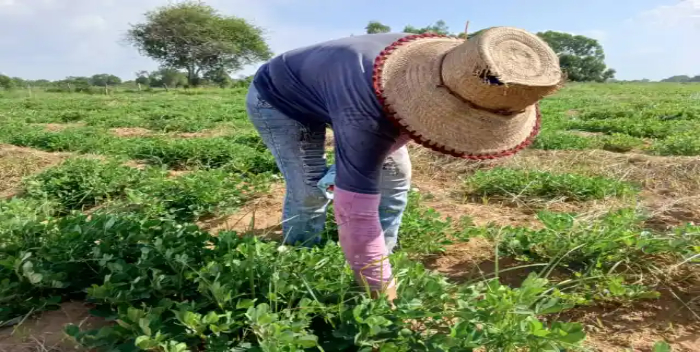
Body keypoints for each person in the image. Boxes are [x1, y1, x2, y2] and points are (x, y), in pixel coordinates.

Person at [245, 27, 562, 300]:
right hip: (278, 99)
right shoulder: (370, 112)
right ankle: (301, 262)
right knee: (309, 189)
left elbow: (405, 128)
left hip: (343, 91)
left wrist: (347, 170)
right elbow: (355, 211)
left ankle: (385, 252)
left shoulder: (464, 67)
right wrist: (382, 299)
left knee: (396, 175)